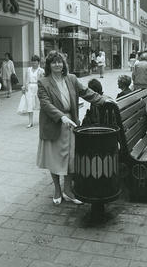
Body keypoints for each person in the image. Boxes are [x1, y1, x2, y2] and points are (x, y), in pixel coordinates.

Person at [37, 50, 112, 205]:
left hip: (70, 124)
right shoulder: (43, 82)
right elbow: (45, 103)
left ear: (64, 64)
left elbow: (87, 92)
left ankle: (68, 190)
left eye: (60, 61)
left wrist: (104, 100)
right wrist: (61, 116)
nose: (57, 64)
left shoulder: (71, 79)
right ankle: (57, 189)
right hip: (54, 124)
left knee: (70, 158)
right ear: (49, 65)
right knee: (55, 159)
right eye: (53, 62)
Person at [23, 55, 44, 128]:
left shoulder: (41, 70)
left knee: (40, 104)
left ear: (38, 62)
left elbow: (43, 81)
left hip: (38, 87)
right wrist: (25, 86)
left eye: (35, 62)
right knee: (29, 104)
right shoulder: (28, 69)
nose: (34, 63)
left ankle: (42, 120)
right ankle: (30, 122)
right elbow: (26, 79)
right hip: (29, 87)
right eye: (33, 62)